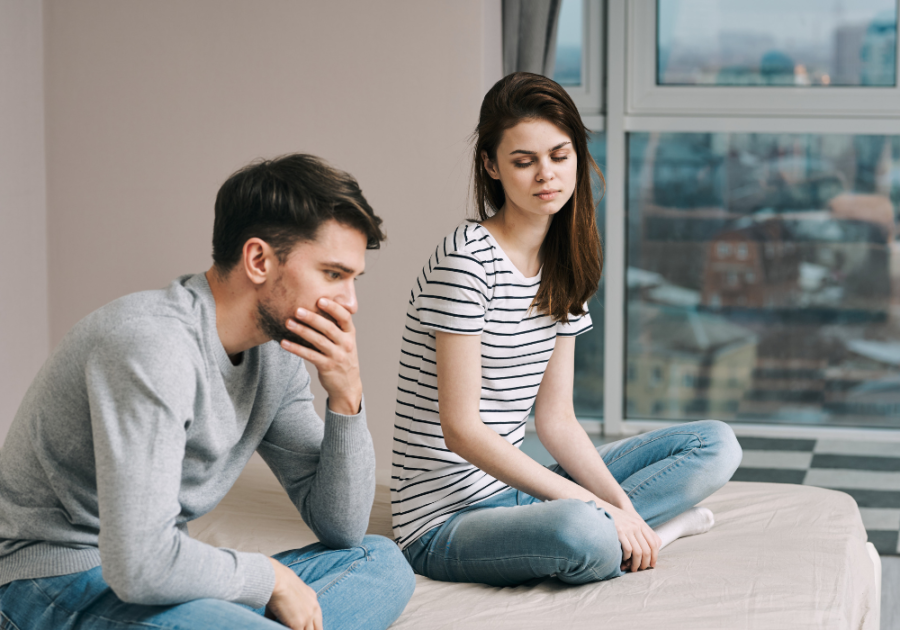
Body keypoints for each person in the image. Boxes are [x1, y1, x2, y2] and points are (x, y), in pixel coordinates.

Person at [0, 154, 415, 630]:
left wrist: (347, 398)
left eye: (353, 279)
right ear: (258, 259)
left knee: (377, 560)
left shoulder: (275, 357)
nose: (351, 303)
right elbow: (139, 566)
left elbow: (340, 528)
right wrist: (270, 578)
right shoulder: (152, 346)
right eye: (333, 274)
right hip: (50, 581)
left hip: (154, 577)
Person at [391, 73, 743, 586]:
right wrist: (595, 510)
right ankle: (652, 533)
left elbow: (556, 421)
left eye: (559, 155)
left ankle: (636, 531)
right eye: (523, 160)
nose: (546, 175)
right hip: (442, 522)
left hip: (518, 492)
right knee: (582, 534)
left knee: (716, 445)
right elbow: (462, 431)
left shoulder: (564, 263)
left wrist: (620, 509)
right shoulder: (467, 261)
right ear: (491, 166)